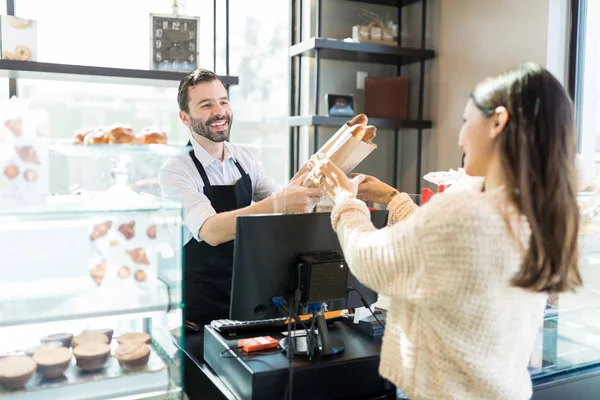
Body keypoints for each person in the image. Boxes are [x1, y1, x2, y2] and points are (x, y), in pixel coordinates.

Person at [307, 63, 582, 400]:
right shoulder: (535, 213)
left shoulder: (466, 213)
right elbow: (438, 250)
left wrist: (344, 200)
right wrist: (393, 198)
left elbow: (371, 260)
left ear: (498, 121)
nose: (460, 136)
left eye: (466, 122)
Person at [158, 68, 321, 353]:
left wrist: (317, 186)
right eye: (206, 104)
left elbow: (279, 200)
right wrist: (280, 203)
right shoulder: (175, 170)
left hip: (250, 297)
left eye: (223, 101)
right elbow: (210, 230)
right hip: (202, 311)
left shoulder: (244, 158)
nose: (219, 111)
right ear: (185, 117)